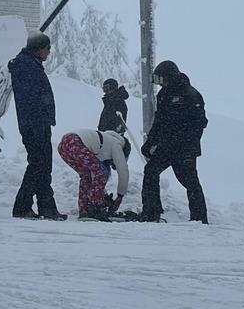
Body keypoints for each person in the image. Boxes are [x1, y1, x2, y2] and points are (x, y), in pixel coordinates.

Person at [139, 60, 209, 224]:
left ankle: (199, 219)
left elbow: (200, 122)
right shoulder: (163, 95)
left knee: (189, 181)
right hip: (166, 146)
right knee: (150, 171)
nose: (160, 83)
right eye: (158, 80)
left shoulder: (190, 94)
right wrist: (150, 143)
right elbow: (159, 121)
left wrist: (187, 143)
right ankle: (151, 212)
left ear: (170, 76)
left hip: (185, 148)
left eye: (161, 79)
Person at [8, 31, 66, 220]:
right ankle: (23, 206)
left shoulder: (29, 65)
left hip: (34, 123)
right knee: (39, 165)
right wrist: (42, 117)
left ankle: (46, 207)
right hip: (35, 124)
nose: (49, 53)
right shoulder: (27, 67)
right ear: (39, 48)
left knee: (41, 165)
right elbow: (33, 98)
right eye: (47, 48)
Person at [57, 129, 131, 221]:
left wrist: (103, 195)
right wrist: (120, 196)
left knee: (86, 176)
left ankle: (84, 210)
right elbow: (123, 171)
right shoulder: (117, 144)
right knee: (102, 173)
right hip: (76, 143)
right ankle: (95, 208)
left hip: (64, 146)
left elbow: (94, 179)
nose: (112, 163)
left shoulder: (104, 142)